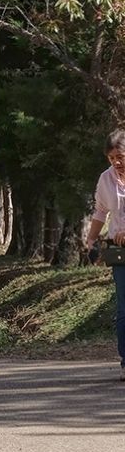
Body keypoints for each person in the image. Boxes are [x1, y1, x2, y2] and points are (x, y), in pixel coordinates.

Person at [83, 127, 125, 381]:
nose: (117, 162)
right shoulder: (105, 179)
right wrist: (90, 239)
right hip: (120, 252)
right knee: (123, 308)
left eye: (120, 156)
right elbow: (100, 212)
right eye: (111, 158)